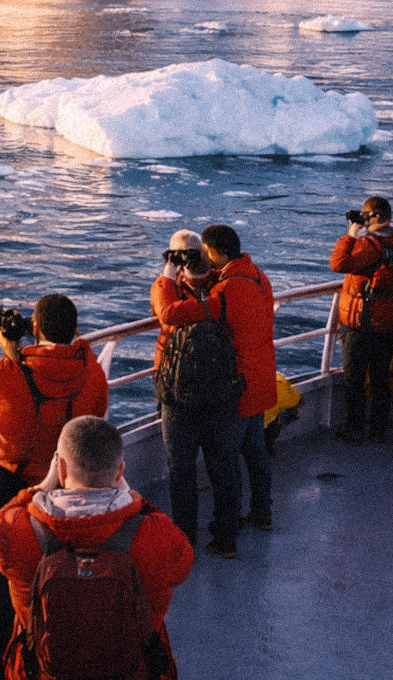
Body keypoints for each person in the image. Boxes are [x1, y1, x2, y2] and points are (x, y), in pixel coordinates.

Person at [0, 294, 109, 679]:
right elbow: (95, 406)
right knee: (57, 568)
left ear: (34, 330)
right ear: (74, 330)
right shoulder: (92, 371)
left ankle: (0, 667)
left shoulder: (7, 373)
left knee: (3, 579)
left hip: (4, 484)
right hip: (61, 484)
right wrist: (30, 347)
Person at [0, 417, 193, 680]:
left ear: (60, 468)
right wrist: (136, 498)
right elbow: (184, 564)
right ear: (120, 472)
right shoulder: (159, 535)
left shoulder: (17, 530)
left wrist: (36, 489)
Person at [152, 225, 276, 558]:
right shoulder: (255, 278)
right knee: (230, 462)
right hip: (234, 388)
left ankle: (185, 538)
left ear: (215, 253)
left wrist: (168, 273)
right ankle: (230, 533)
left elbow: (168, 314)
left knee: (183, 468)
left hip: (201, 390)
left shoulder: (223, 293)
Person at [328, 197, 393, 444]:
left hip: (361, 323)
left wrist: (351, 235)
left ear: (376, 216)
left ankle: (354, 430)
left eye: (365, 215)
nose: (362, 219)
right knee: (380, 377)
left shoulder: (369, 246)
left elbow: (338, 264)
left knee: (354, 378)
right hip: (387, 321)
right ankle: (378, 430)